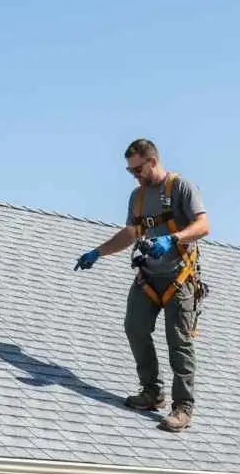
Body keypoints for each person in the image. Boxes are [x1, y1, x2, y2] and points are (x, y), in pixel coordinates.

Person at [73, 138, 210, 433]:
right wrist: (98, 252)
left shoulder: (180, 188)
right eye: (130, 171)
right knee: (134, 327)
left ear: (152, 161)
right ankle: (152, 392)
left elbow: (203, 226)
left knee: (179, 342)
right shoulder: (136, 197)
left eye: (137, 169)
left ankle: (183, 407)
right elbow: (131, 233)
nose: (134, 175)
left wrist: (173, 239)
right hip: (148, 276)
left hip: (179, 277)